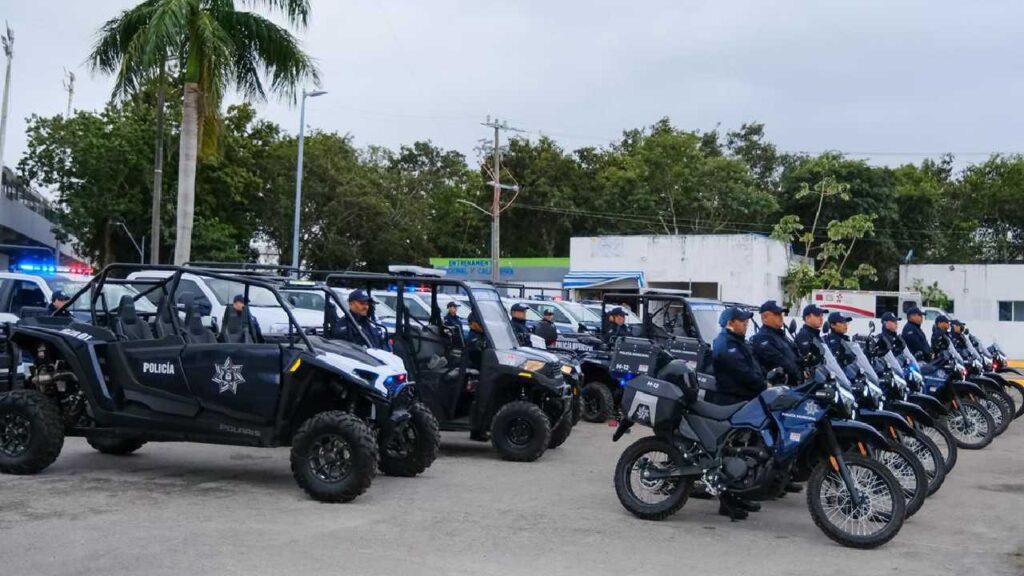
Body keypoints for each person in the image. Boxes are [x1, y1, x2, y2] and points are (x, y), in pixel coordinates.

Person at [711, 307, 765, 405]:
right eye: (741, 320)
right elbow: (744, 373)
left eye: (746, 320)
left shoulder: (739, 341)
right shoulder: (726, 344)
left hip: (747, 399)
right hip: (734, 402)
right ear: (730, 323)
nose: (746, 323)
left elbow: (753, 364)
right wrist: (764, 386)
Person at [751, 300, 801, 387]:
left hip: (794, 385)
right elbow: (780, 362)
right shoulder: (762, 338)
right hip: (781, 388)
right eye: (777, 314)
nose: (781, 317)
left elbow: (794, 357)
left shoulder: (780, 335)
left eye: (781, 314)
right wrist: (799, 375)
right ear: (765, 317)